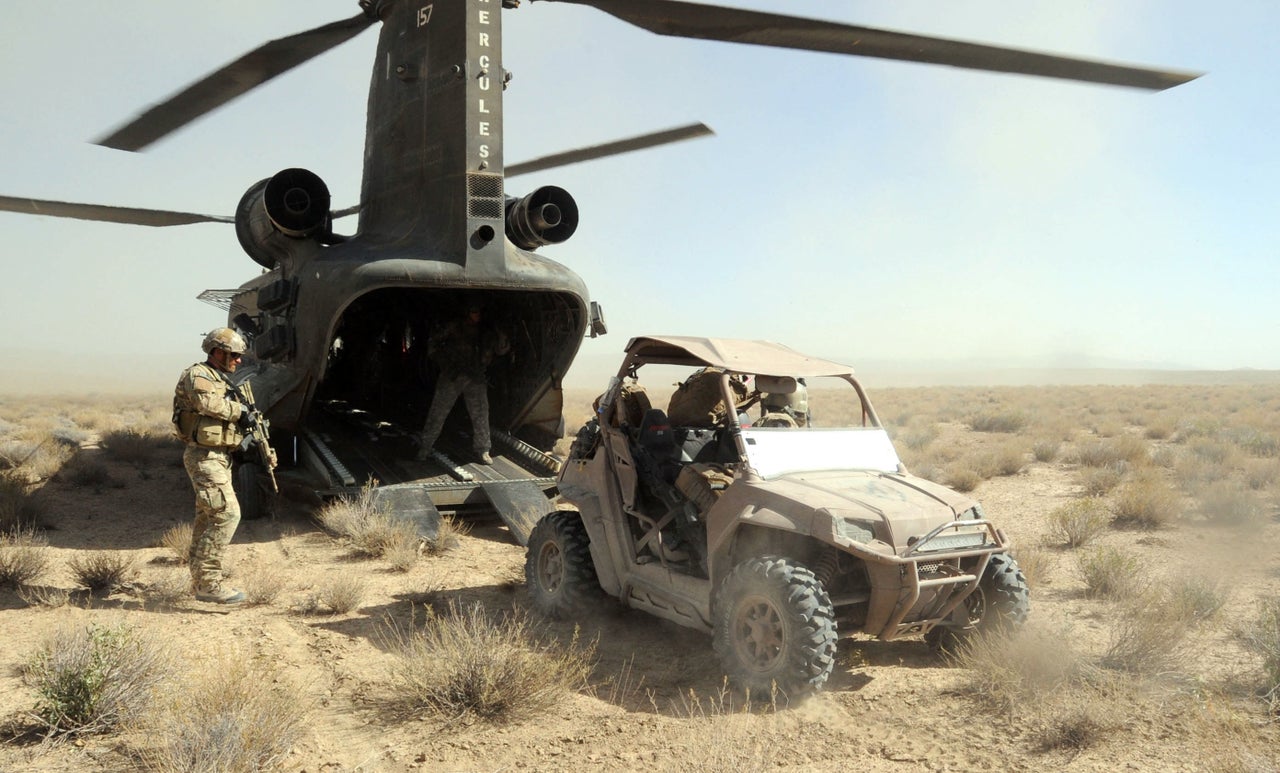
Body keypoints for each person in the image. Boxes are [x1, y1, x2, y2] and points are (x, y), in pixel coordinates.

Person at [171, 327, 275, 605]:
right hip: (204, 457)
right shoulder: (198, 375)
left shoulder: (223, 380)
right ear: (217, 352)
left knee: (207, 519)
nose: (239, 360)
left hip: (219, 457)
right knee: (227, 514)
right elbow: (205, 403)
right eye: (234, 355)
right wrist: (240, 412)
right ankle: (209, 584)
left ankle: (201, 581)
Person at [416, 303, 510, 464]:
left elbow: (501, 350)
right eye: (474, 311)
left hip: (475, 377)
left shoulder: (486, 331)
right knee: (438, 413)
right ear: (467, 312)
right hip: (452, 376)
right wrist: (445, 364)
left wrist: (500, 332)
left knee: (481, 414)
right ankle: (424, 447)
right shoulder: (454, 327)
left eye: (479, 311)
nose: (477, 315)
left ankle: (483, 450)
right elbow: (433, 344)